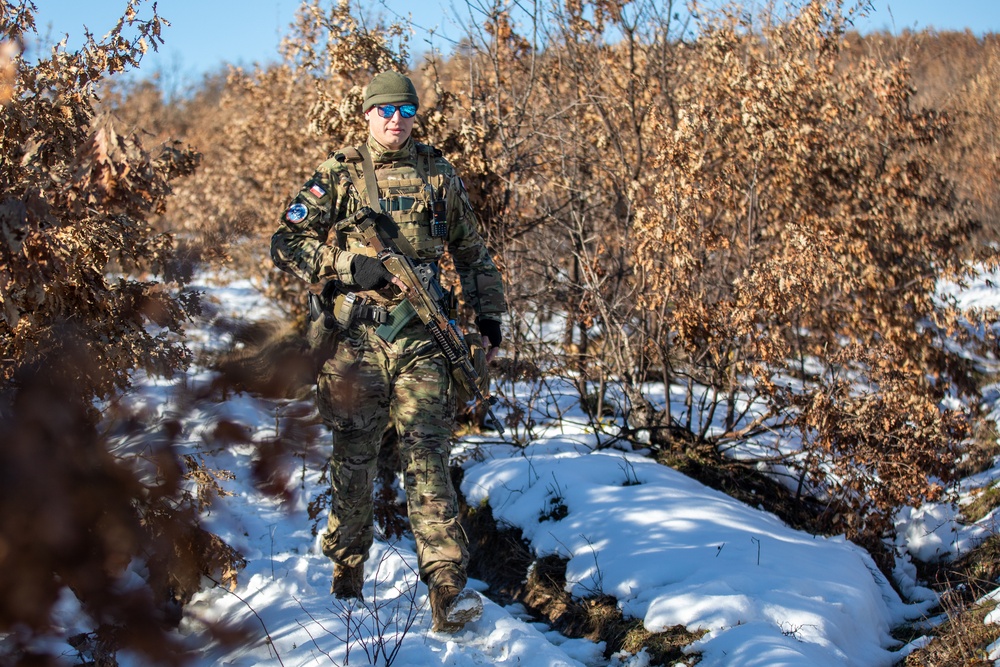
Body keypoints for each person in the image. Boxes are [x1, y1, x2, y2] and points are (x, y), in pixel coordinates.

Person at [270, 70, 506, 633]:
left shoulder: (438, 173)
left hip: (424, 342)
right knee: (354, 461)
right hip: (356, 342)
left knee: (427, 461)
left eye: (405, 110)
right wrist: (352, 267)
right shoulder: (341, 174)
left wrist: (489, 315)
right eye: (385, 110)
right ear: (367, 113)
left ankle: (447, 589)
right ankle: (346, 572)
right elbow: (288, 240)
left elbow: (473, 253)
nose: (395, 120)